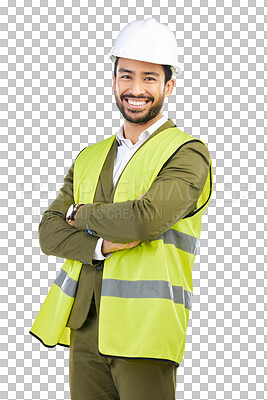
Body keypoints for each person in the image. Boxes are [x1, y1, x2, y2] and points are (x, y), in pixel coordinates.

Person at [30, 18, 213, 400]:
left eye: (149, 78)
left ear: (169, 86)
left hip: (146, 330)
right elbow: (48, 232)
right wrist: (101, 246)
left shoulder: (187, 151)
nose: (135, 89)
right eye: (126, 76)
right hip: (85, 325)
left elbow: (145, 219)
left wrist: (80, 215)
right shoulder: (90, 156)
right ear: (114, 81)